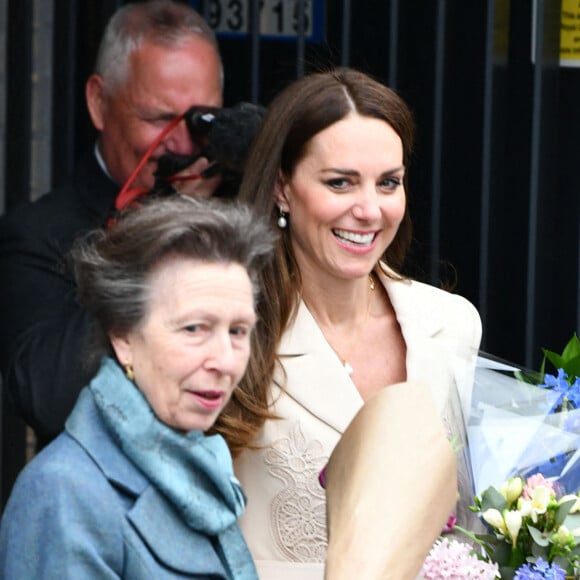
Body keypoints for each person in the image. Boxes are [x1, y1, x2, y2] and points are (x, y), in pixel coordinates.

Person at [234, 68, 482, 578]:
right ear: (282, 188)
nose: (369, 210)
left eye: (388, 183)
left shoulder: (451, 324)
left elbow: (469, 525)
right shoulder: (235, 332)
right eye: (340, 182)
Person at [0, 195, 274, 578]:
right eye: (194, 328)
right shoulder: (64, 492)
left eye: (238, 331)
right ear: (123, 336)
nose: (226, 361)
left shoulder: (198, 464)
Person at [0, 0, 224, 447]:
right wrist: (149, 227)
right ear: (99, 103)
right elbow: (48, 399)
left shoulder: (237, 205)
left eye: (200, 121)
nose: (179, 144)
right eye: (159, 119)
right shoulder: (36, 233)